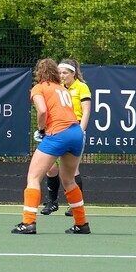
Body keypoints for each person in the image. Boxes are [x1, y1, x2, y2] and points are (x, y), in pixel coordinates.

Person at [13, 58, 90, 234]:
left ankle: (28, 223)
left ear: (39, 73)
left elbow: (42, 111)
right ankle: (81, 223)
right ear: (56, 72)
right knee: (69, 180)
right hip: (76, 133)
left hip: (58, 134)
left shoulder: (39, 88)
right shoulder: (63, 88)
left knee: (33, 177)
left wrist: (41, 129)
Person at [41, 58, 91, 216]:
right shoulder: (59, 89)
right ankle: (52, 202)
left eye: (65, 73)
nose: (61, 75)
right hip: (57, 130)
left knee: (72, 169)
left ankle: (74, 205)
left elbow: (86, 111)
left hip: (74, 130)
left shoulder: (81, 87)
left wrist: (81, 131)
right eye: (59, 72)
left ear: (73, 73)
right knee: (50, 167)